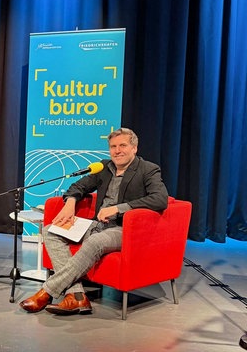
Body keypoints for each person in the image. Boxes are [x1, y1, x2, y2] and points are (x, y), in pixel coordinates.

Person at [20, 128, 169, 315]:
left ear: (134, 148)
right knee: (51, 231)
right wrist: (71, 202)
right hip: (97, 225)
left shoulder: (148, 169)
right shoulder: (104, 167)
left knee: (95, 242)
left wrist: (119, 208)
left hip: (123, 229)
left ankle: (46, 291)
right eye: (113, 146)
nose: (117, 150)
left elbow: (160, 199)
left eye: (123, 145)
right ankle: (77, 296)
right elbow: (79, 185)